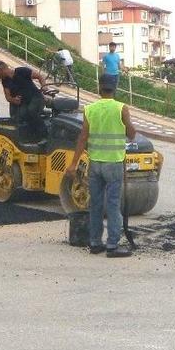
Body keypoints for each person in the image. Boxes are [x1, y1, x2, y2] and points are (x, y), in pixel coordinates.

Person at [66, 74, 137, 257]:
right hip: (113, 163)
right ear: (115, 89)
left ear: (99, 88)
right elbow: (131, 134)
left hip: (95, 163)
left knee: (95, 204)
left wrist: (74, 163)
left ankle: (95, 243)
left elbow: (83, 137)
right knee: (113, 205)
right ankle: (112, 245)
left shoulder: (89, 109)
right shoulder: (121, 108)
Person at [0, 61, 48, 142]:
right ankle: (29, 135)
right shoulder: (5, 81)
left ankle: (43, 135)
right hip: (24, 102)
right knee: (21, 116)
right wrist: (14, 100)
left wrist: (44, 86)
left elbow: (40, 76)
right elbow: (8, 97)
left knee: (31, 111)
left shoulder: (22, 71)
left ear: (2, 70)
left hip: (36, 97)